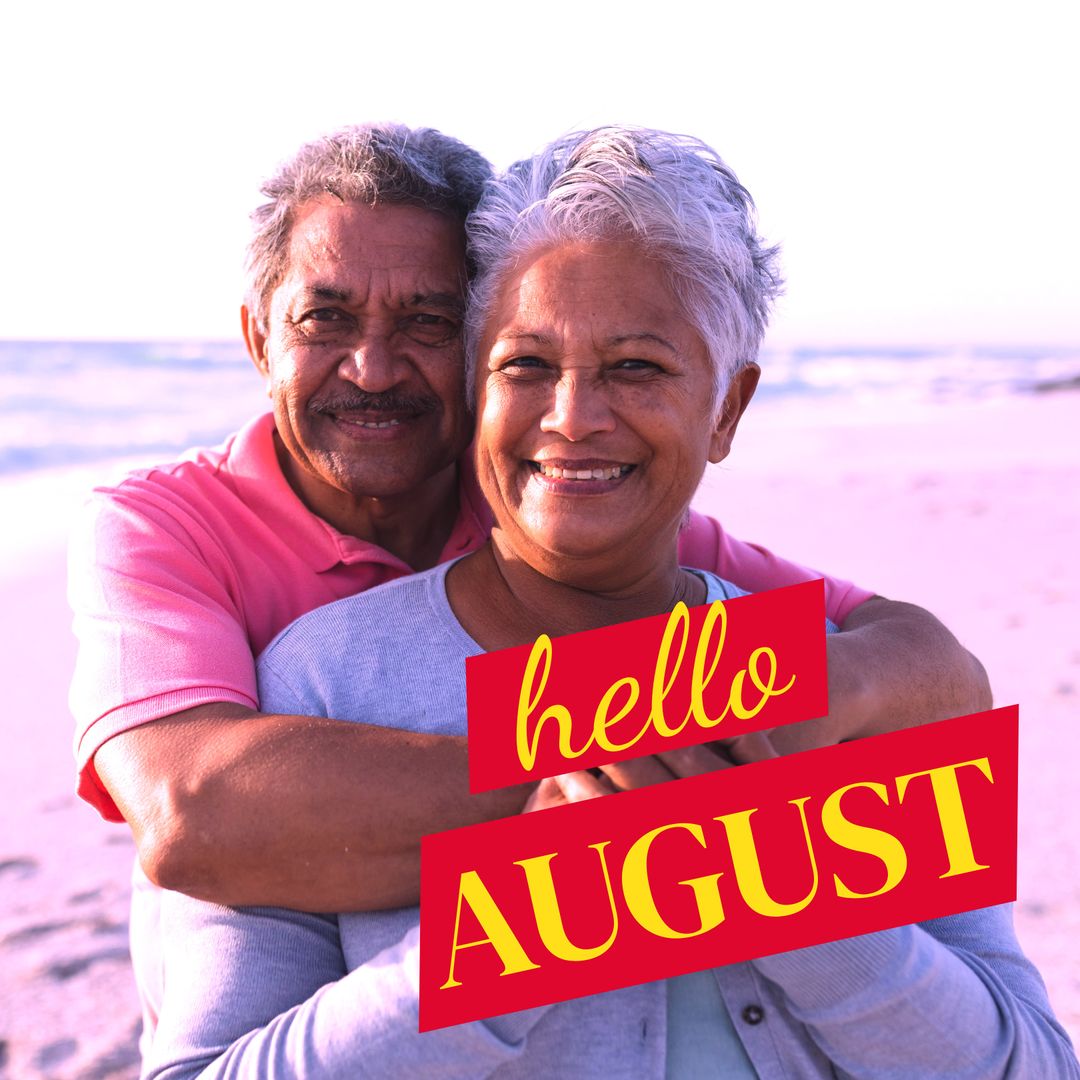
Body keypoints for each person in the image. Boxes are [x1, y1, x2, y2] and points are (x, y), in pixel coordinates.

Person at [141, 127, 1076, 1077]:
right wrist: (531, 921)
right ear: (474, 387)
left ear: (728, 409)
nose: (574, 416)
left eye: (637, 366)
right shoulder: (317, 682)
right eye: (526, 365)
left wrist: (780, 885)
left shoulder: (839, 681)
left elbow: (1033, 1062)